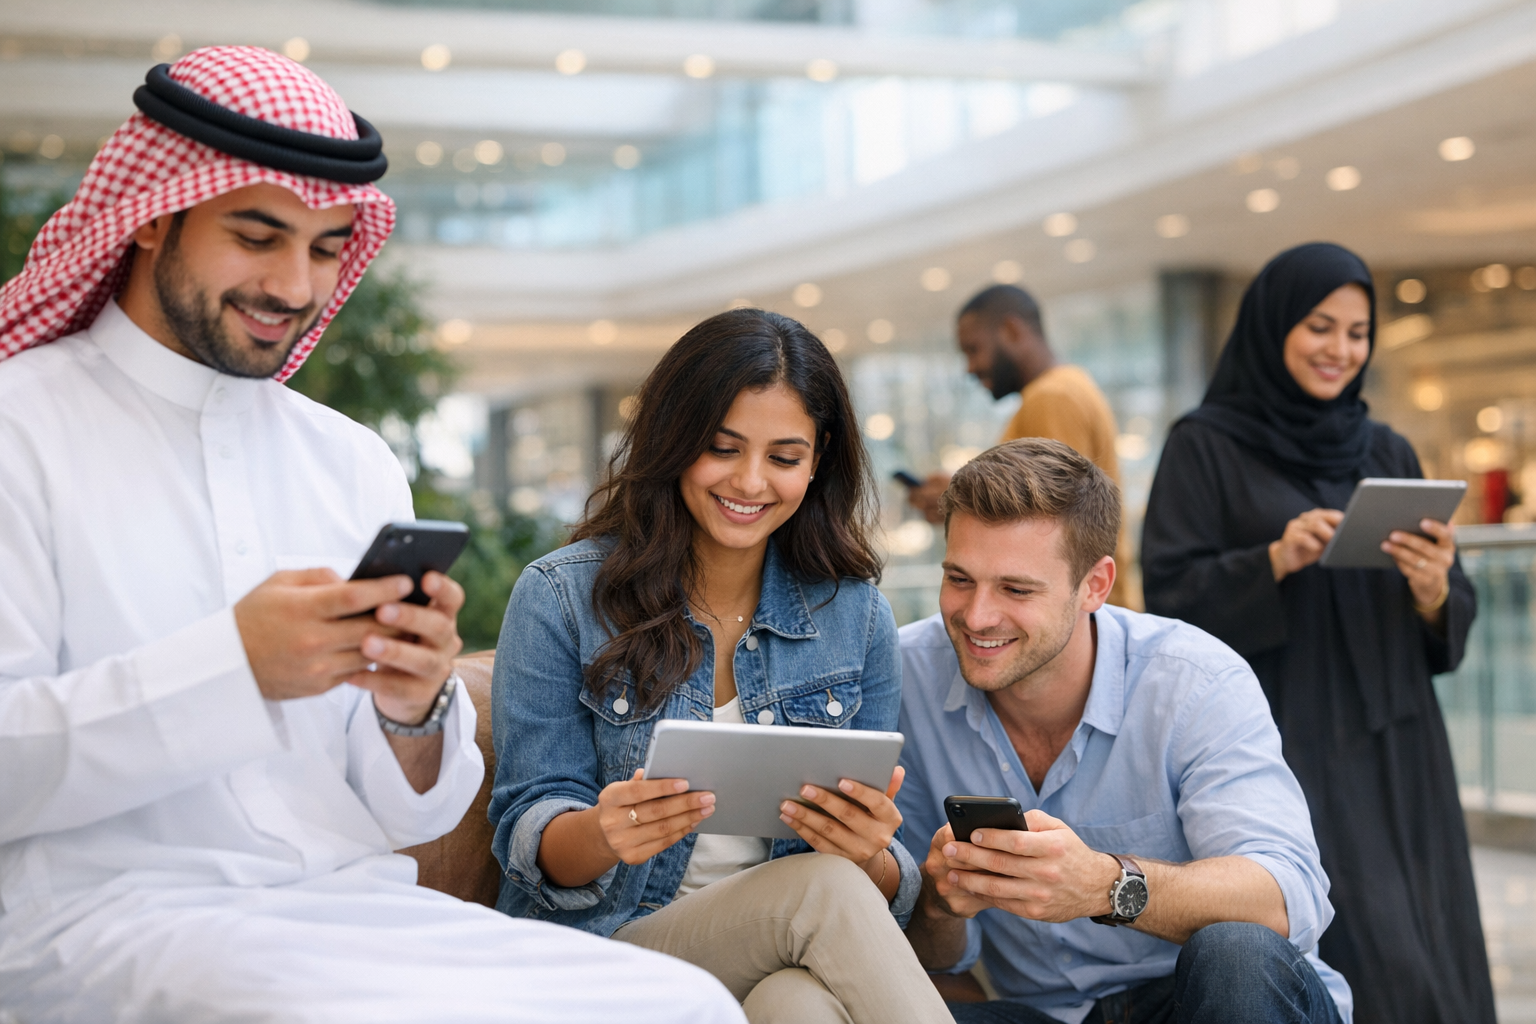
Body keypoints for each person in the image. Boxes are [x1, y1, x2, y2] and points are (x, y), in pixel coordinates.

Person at [0, 48, 742, 1024]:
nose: (295, 283)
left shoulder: (348, 462)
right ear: (152, 214)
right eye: (258, 236)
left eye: (325, 247)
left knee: (682, 1003)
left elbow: (410, 816)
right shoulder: (20, 429)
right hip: (95, 923)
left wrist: (409, 712)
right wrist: (238, 664)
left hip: (347, 913)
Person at [490, 309, 954, 1024]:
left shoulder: (855, 617)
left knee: (800, 1003)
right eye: (722, 447)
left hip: (772, 954)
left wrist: (869, 853)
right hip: (604, 950)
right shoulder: (561, 597)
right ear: (675, 440)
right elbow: (529, 837)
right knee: (822, 888)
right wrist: (602, 833)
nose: (749, 481)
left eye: (784, 456)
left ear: (819, 459)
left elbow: (886, 889)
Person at [1140, 243, 1493, 1024]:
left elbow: (1451, 612)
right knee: (1346, 928)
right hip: (1286, 736)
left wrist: (1436, 587)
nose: (1340, 349)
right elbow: (1166, 598)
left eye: (1358, 332)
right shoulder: (1204, 446)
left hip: (1398, 738)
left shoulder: (1384, 448)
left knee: (1426, 931)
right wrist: (1272, 558)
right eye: (1320, 326)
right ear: (1273, 327)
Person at [896, 438, 1352, 1023]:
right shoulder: (907, 676)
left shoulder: (1195, 680)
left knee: (1236, 952)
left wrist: (1105, 885)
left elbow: (1288, 895)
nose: (977, 616)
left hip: (1206, 1003)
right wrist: (938, 904)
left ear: (1095, 585)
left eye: (1016, 589)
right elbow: (932, 959)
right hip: (1049, 1014)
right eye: (959, 579)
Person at [907, 285, 1136, 608]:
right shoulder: (1063, 389)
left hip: (1074, 620)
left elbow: (1048, 526)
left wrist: (954, 502)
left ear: (1012, 331)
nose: (969, 368)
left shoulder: (1052, 398)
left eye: (974, 349)